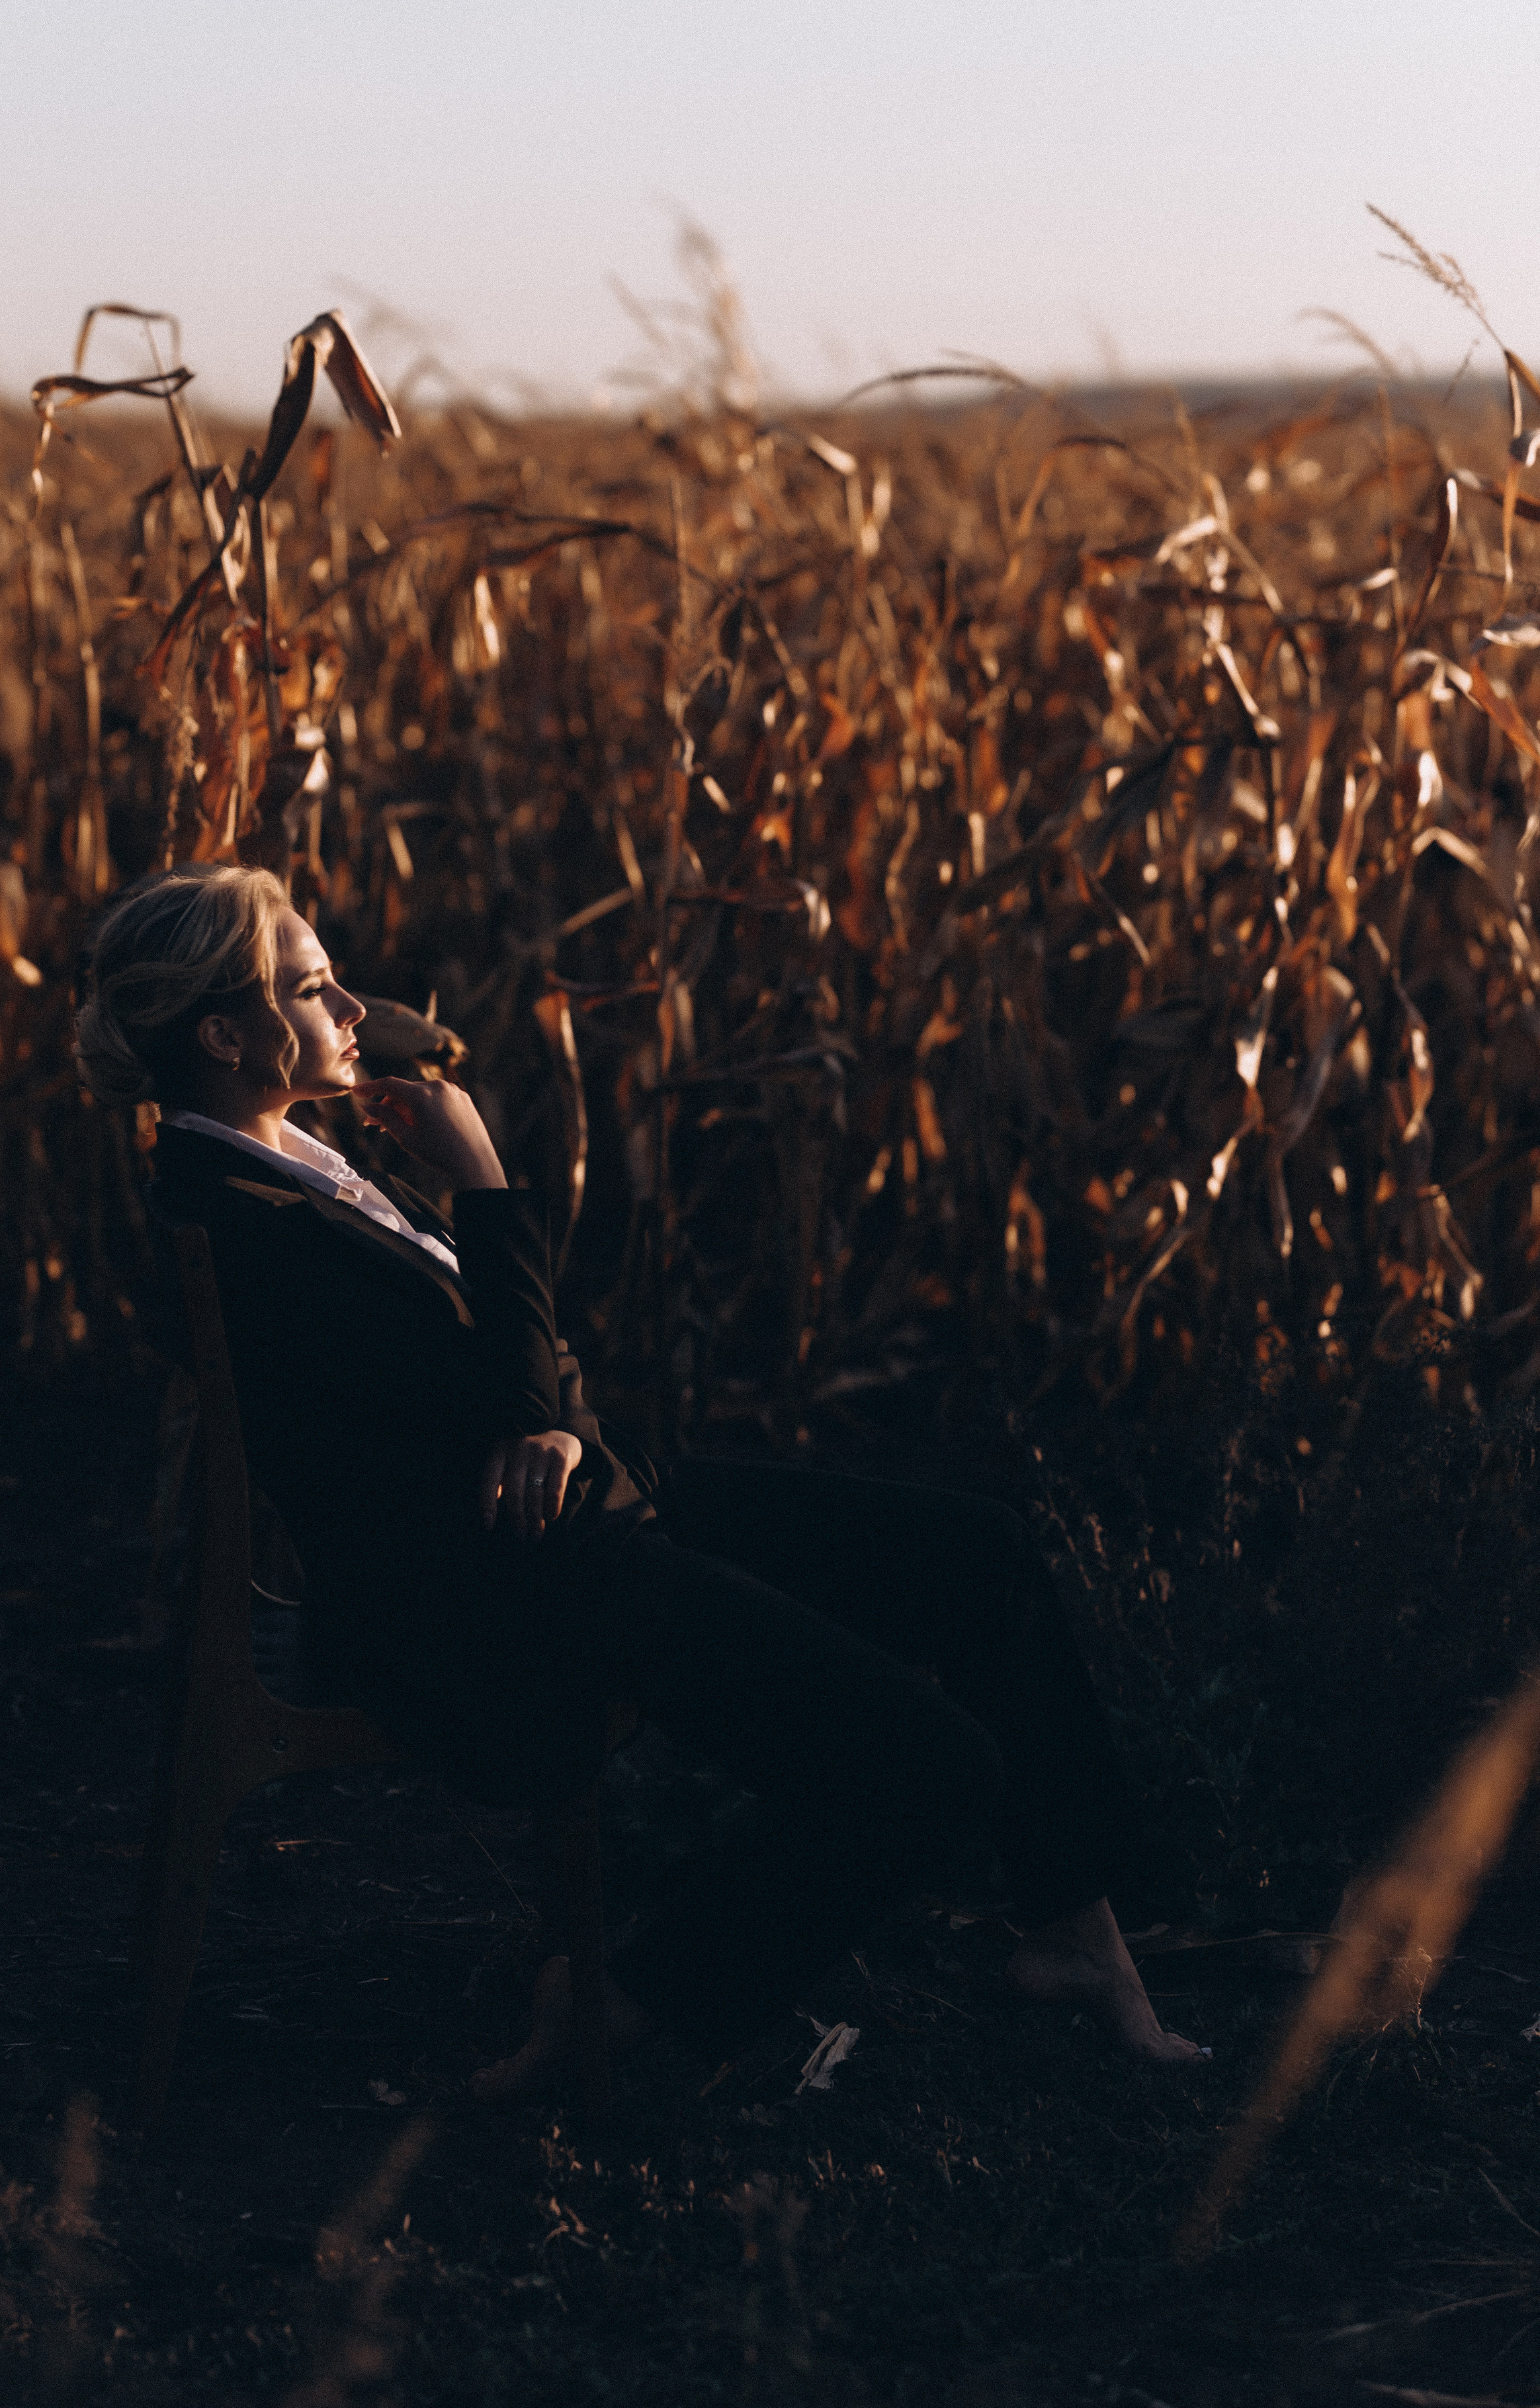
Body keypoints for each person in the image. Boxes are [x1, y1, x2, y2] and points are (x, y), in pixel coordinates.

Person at [76, 865, 1208, 2088]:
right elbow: (486, 1390)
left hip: (582, 1505)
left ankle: (1074, 1935)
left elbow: (536, 1374)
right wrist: (491, 1189)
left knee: (981, 1555)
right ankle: (624, 2002)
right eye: (312, 987)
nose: (354, 1004)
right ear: (226, 1034)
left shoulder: (293, 1161)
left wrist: (548, 1415)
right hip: (514, 1584)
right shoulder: (237, 1217)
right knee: (930, 1769)